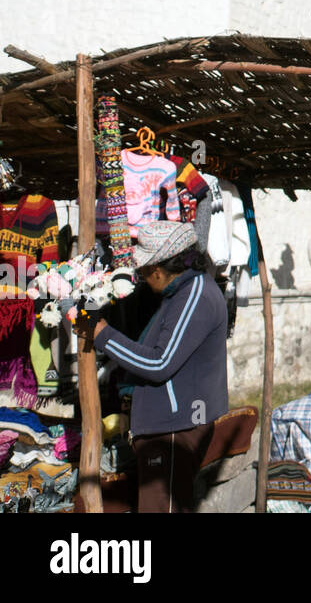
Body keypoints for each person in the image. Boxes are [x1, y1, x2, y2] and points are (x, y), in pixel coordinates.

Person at [78, 220, 229, 513]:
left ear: (158, 270)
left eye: (145, 272)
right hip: (170, 424)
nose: (144, 279)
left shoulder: (194, 297)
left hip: (177, 426)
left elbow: (159, 362)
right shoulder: (180, 294)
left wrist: (102, 335)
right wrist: (88, 317)